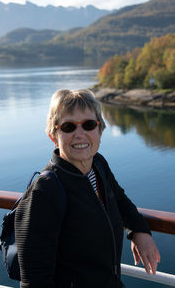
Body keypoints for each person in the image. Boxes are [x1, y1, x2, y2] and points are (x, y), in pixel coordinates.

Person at [15, 89, 160, 288]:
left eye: (89, 124)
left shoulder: (98, 165)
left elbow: (119, 199)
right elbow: (34, 278)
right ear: (53, 135)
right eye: (68, 127)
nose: (80, 134)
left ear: (100, 129)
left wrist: (138, 230)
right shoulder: (45, 190)